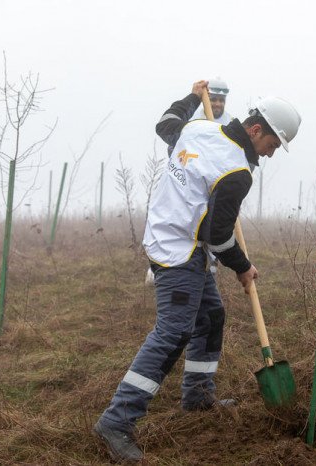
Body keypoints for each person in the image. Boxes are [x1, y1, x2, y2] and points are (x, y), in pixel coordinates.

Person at [94, 96, 301, 462]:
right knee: (173, 332)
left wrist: (191, 97)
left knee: (210, 317)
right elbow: (218, 236)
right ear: (255, 130)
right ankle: (117, 420)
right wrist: (243, 265)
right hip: (181, 251)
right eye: (271, 145)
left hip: (170, 233)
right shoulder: (237, 172)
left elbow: (166, 123)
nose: (269, 154)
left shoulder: (197, 127)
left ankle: (198, 395)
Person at [147, 77, 234, 284]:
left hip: (213, 191)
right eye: (213, 99)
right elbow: (169, 131)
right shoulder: (192, 121)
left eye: (222, 100)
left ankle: (208, 271)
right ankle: (163, 267)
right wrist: (193, 98)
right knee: (179, 228)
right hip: (184, 187)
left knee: (212, 229)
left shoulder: (230, 125)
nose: (218, 104)